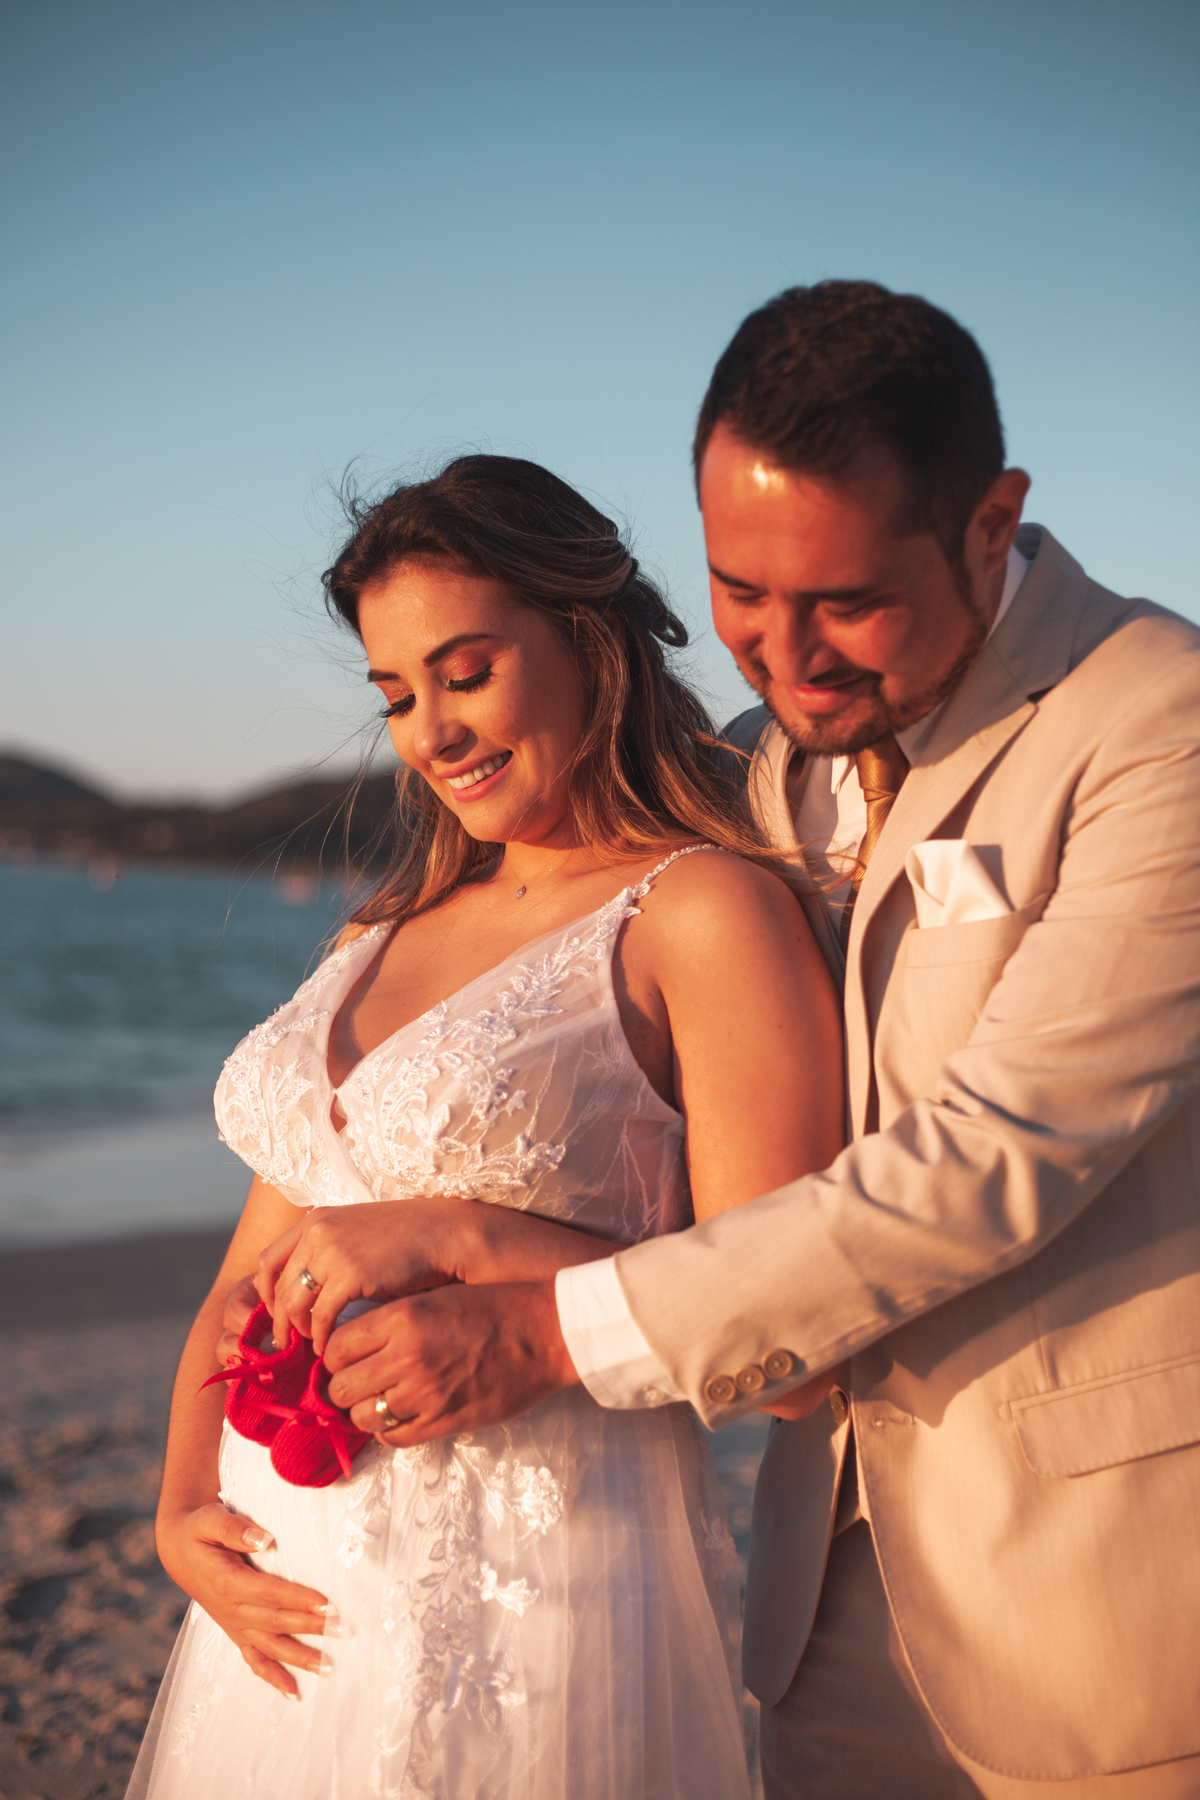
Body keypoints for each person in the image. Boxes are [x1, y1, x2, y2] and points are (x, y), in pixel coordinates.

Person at [306, 285, 1200, 1798]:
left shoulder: (1156, 727)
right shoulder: (763, 765)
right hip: (818, 1594)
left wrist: (533, 1322)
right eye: (740, 591)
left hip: (1098, 1596)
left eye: (843, 599)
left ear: (992, 523)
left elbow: (994, 1157)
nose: (784, 658)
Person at [128, 454, 844, 1800]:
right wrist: (176, 1508)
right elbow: (250, 1277)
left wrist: (465, 1236)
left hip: (538, 1596)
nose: (431, 731)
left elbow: (784, 1342)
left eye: (466, 673)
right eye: (398, 694)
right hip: (281, 1582)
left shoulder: (697, 913)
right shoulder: (375, 934)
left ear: (587, 642)